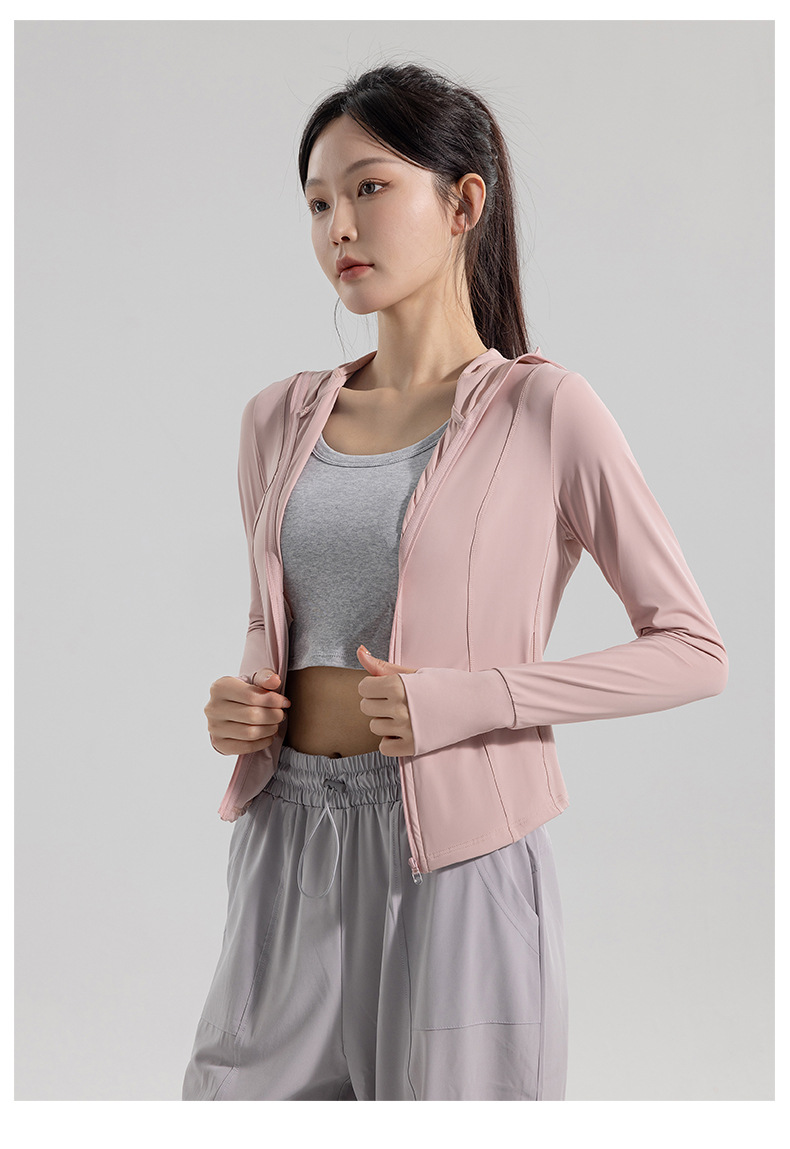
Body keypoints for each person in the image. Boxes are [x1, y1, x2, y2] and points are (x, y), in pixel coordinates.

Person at [181, 62, 728, 1102]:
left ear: (463, 203)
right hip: (285, 842)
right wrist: (239, 706)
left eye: (370, 188)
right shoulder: (274, 420)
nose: (340, 225)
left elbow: (693, 650)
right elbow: (277, 623)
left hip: (458, 855)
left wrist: (479, 697)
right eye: (317, 203)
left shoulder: (545, 411)